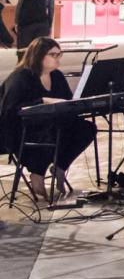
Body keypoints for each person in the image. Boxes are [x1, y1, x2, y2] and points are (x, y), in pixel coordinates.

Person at [0, 38, 98, 201]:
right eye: (53, 54)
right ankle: (37, 173)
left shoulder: (57, 76)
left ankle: (60, 166)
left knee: (86, 128)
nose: (58, 58)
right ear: (38, 56)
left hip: (52, 124)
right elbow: (10, 111)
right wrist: (42, 101)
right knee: (50, 132)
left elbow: (67, 102)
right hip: (23, 131)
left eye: (59, 55)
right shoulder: (21, 77)